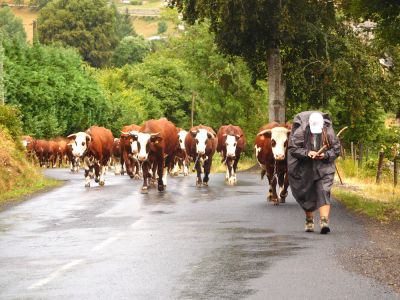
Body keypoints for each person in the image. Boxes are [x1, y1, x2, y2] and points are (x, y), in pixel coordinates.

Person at [287, 111, 341, 234]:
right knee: (307, 193)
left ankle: (324, 222)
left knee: (324, 191)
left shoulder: (328, 131)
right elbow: (293, 148)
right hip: (305, 167)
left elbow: (336, 149)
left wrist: (326, 155)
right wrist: (307, 153)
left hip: (324, 166)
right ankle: (309, 220)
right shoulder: (300, 131)